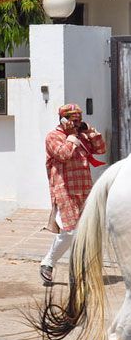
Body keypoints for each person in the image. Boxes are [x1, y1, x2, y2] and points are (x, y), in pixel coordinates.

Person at [39, 103, 106, 285]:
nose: (76, 124)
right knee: (70, 231)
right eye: (73, 120)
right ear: (63, 119)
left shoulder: (82, 135)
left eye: (79, 120)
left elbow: (101, 149)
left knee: (86, 230)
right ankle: (48, 262)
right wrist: (71, 137)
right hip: (64, 190)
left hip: (85, 189)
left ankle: (81, 269)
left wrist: (88, 130)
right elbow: (64, 154)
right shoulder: (53, 137)